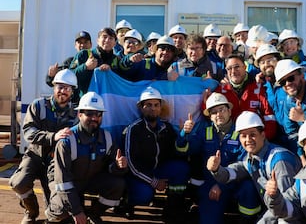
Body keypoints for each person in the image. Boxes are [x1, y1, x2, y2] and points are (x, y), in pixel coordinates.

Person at [176, 93, 261, 224]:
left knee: (249, 187)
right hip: (210, 187)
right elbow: (184, 151)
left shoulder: (241, 132)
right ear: (210, 116)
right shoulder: (204, 130)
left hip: (234, 184)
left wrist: (222, 185)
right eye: (214, 112)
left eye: (221, 110)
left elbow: (245, 165)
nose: (218, 114)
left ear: (229, 110)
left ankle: (248, 220)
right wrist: (184, 134)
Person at [45, 91, 127, 223]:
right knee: (61, 211)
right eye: (89, 113)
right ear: (79, 114)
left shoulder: (107, 138)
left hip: (89, 179)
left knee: (117, 184)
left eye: (98, 114)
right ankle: (53, 214)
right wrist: (76, 212)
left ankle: (93, 214)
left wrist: (118, 166)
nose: (94, 118)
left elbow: (111, 168)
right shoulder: (67, 141)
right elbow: (63, 181)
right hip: (65, 182)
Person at [9, 69, 78, 224]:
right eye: (60, 87)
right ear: (53, 87)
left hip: (56, 162)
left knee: (57, 206)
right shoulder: (38, 105)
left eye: (67, 88)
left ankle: (53, 214)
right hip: (35, 155)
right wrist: (53, 136)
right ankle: (31, 211)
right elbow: (28, 132)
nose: (63, 91)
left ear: (72, 91)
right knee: (18, 183)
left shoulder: (76, 114)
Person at [207, 111, 302, 223]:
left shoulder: (279, 161)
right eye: (243, 136)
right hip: (277, 211)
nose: (248, 140)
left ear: (262, 135)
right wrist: (217, 169)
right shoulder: (252, 157)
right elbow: (234, 172)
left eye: (252, 134)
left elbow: (287, 209)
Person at [123, 87, 189, 223]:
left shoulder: (167, 127)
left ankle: (173, 207)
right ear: (141, 107)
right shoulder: (133, 129)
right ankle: (126, 201)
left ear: (160, 108)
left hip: (158, 169)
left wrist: (183, 135)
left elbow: (177, 152)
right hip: (138, 175)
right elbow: (131, 164)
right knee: (145, 194)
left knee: (181, 168)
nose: (152, 108)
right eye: (148, 105)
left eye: (156, 105)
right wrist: (154, 182)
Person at [209, 54, 278, 141]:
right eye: (229, 68)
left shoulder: (258, 87)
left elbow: (269, 117)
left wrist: (264, 139)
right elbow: (210, 112)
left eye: (237, 67)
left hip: (256, 140)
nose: (233, 71)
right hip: (231, 142)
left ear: (245, 67)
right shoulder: (221, 91)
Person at [70, 27, 123, 98]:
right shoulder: (84, 54)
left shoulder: (117, 60)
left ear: (115, 43)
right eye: (104, 37)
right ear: (98, 40)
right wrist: (85, 67)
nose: (107, 40)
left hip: (108, 102)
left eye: (111, 38)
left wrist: (111, 72)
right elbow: (70, 76)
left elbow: (122, 82)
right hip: (87, 103)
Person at [46, 30, 92, 103]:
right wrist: (51, 76)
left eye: (85, 42)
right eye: (80, 43)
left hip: (90, 104)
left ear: (91, 45)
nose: (82, 45)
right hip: (73, 104)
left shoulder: (96, 60)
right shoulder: (69, 62)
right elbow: (51, 83)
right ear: (75, 45)